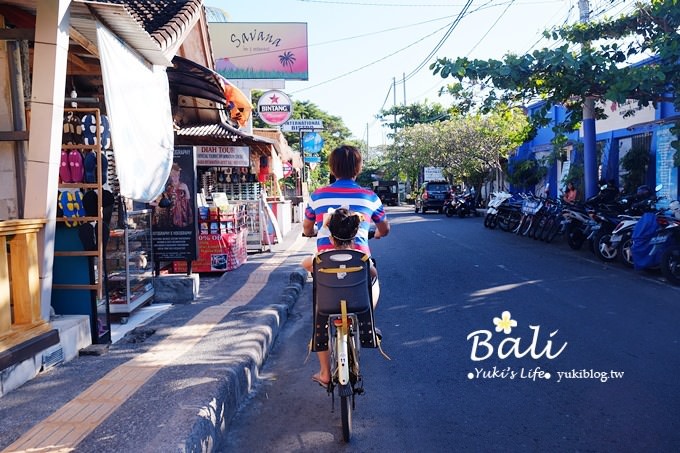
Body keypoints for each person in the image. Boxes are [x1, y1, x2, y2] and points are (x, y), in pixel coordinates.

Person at [302, 144, 390, 388]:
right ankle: (367, 319)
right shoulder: (369, 196)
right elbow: (385, 228)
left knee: (320, 315)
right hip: (359, 261)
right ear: (358, 168)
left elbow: (307, 227)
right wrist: (378, 234)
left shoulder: (318, 195)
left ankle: (324, 372)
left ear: (332, 168)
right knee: (373, 279)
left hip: (325, 265)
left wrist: (309, 232)